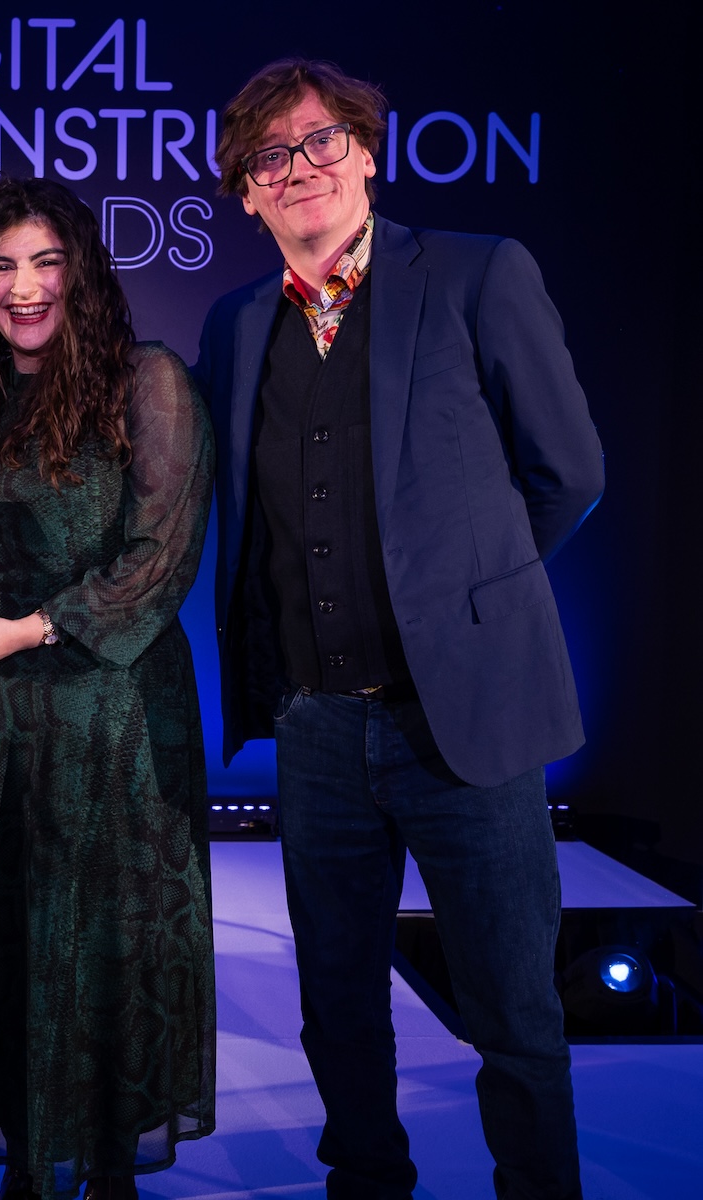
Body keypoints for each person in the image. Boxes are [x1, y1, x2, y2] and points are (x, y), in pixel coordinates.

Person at [194, 59, 604, 1199]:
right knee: (336, 1002)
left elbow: (569, 473)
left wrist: (468, 604)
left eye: (321, 141)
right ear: (247, 194)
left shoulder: (477, 274)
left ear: (368, 152)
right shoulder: (235, 327)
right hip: (318, 730)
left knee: (514, 1011)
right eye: (270, 158)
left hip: (465, 721)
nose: (300, 169)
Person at [0, 176, 216, 1200]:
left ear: (82, 273)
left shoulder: (147, 379)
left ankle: (105, 1168)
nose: (23, 287)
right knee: (8, 936)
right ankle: (29, 1164)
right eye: (0, 267)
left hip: (106, 715)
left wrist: (32, 627)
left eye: (45, 262)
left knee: (100, 942)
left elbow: (161, 559)